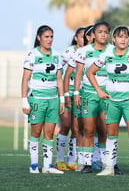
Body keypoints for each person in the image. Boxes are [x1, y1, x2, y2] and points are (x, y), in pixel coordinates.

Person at [86, 25, 129, 177]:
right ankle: (109, 168)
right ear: (114, 39)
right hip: (111, 101)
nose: (123, 39)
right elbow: (90, 72)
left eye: (126, 37)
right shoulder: (106, 55)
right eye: (120, 36)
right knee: (111, 133)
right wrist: (99, 90)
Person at [21, 25, 65, 174]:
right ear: (39, 38)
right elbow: (25, 79)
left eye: (51, 36)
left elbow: (59, 79)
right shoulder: (32, 55)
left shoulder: (57, 55)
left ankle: (47, 166)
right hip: (37, 99)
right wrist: (24, 101)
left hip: (53, 99)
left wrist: (62, 99)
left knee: (49, 133)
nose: (49, 40)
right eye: (46, 37)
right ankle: (33, 165)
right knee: (36, 132)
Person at [73, 20, 112, 174]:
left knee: (106, 131)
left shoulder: (113, 50)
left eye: (106, 32)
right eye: (100, 32)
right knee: (89, 130)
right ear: (94, 35)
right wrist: (76, 93)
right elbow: (78, 74)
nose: (103, 35)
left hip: (107, 94)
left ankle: (108, 163)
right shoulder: (84, 51)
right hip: (88, 94)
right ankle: (86, 163)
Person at [63, 25, 95, 172]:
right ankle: (72, 160)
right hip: (77, 93)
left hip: (93, 95)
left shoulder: (99, 52)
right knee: (76, 129)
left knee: (95, 129)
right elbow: (65, 74)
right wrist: (67, 95)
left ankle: (94, 160)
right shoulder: (74, 53)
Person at [55, 27, 85, 171]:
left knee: (76, 128)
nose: (84, 39)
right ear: (76, 38)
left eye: (87, 36)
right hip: (67, 93)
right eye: (82, 36)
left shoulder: (88, 53)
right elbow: (59, 74)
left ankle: (71, 160)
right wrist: (63, 94)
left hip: (81, 94)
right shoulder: (67, 53)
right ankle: (59, 160)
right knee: (65, 125)